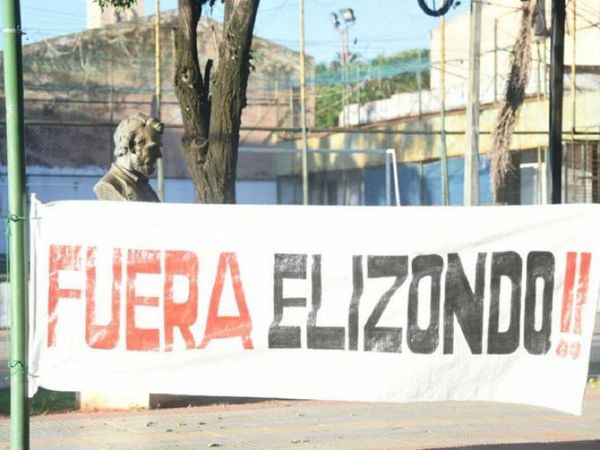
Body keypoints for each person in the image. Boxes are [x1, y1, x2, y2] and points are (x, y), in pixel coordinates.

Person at [94, 112, 164, 202]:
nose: (159, 155)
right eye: (152, 148)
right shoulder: (108, 185)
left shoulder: (144, 186)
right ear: (132, 147)